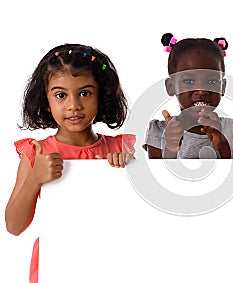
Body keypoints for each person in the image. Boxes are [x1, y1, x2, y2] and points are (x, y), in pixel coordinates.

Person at [5, 43, 136, 283]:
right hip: (57, 265)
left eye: (85, 93)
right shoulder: (37, 152)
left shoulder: (121, 149)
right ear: (46, 100)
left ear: (101, 95)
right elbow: (14, 226)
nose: (73, 105)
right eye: (61, 95)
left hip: (112, 263)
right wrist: (34, 178)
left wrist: (130, 168)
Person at [143, 33, 233, 159]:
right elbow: (155, 175)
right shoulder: (160, 131)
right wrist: (170, 149)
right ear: (171, 87)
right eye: (189, 81)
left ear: (223, 86)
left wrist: (224, 146)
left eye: (212, 81)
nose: (202, 91)